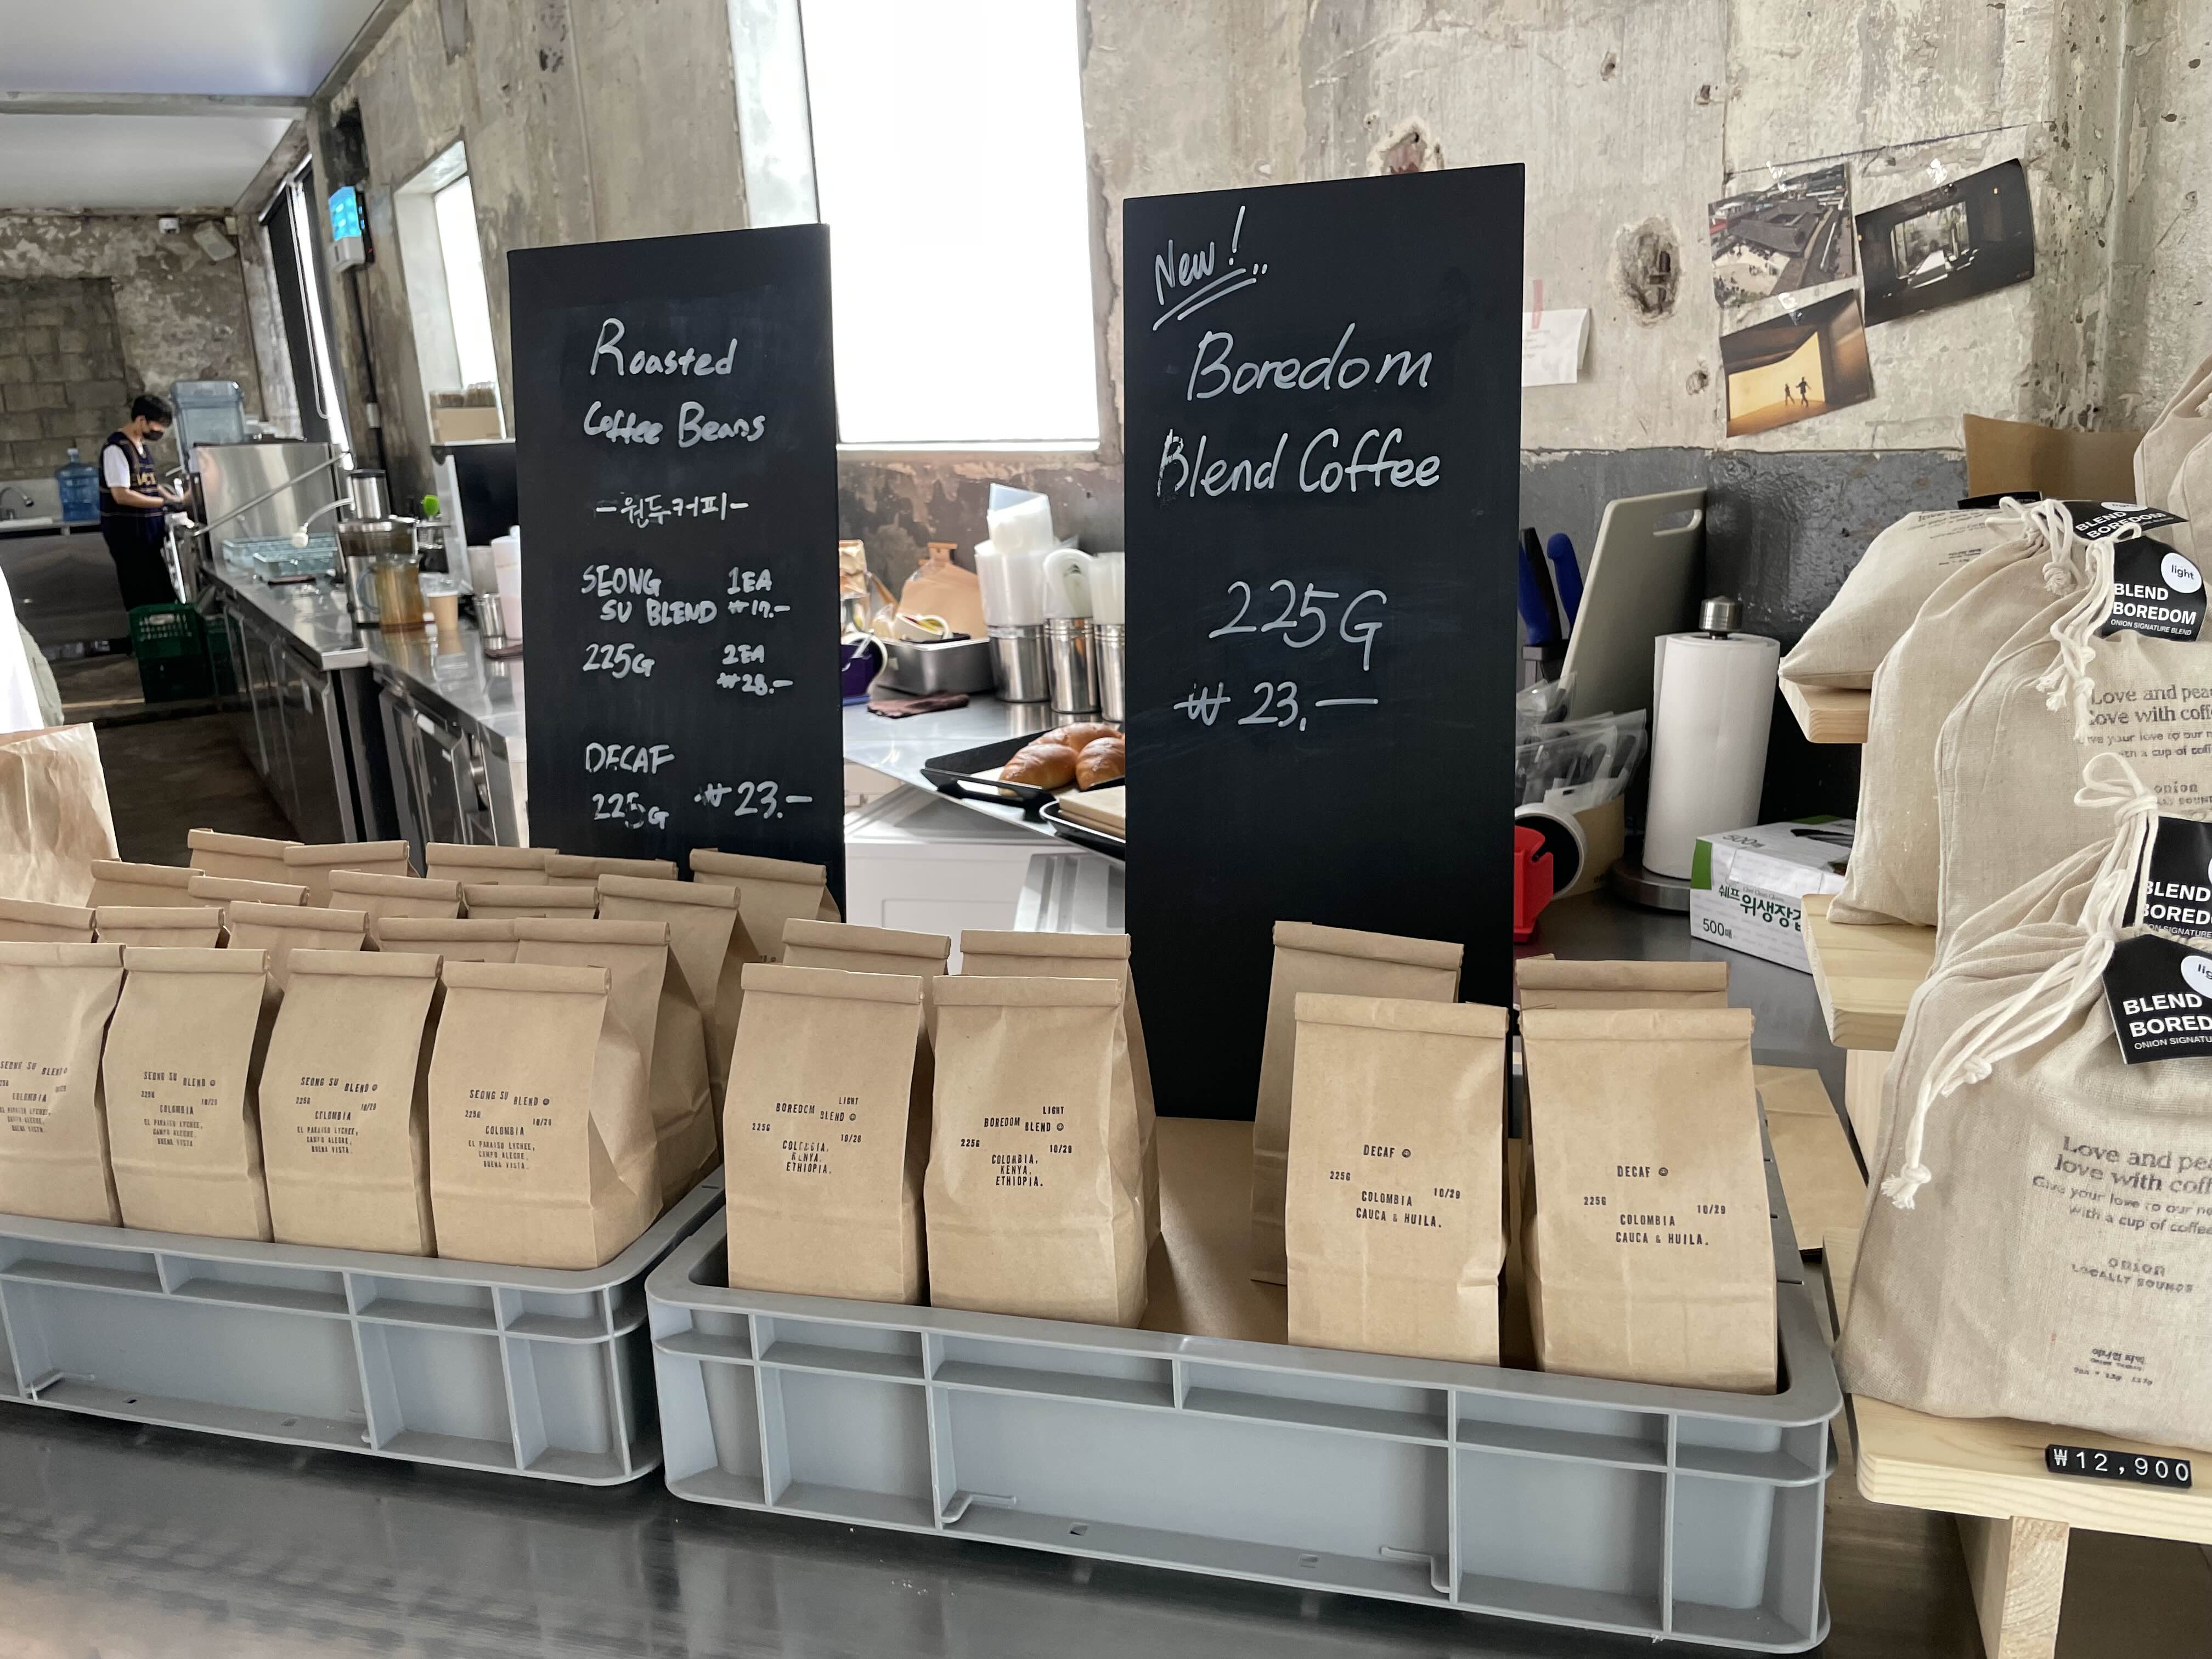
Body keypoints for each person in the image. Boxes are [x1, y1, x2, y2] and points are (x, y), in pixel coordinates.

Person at [99, 394, 187, 617]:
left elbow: (150, 485)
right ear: (141, 420)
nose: (160, 432)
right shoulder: (117, 449)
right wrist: (164, 503)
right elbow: (122, 495)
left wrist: (175, 500)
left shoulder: (141, 447)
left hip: (147, 535)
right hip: (128, 535)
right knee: (142, 592)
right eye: (158, 426)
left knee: (160, 590)